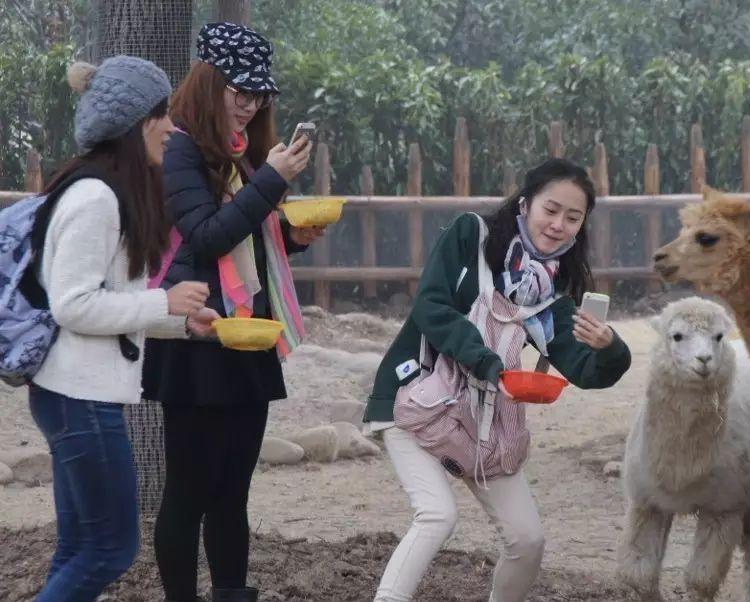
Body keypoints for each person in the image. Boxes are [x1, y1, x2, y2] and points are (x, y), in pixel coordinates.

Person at [365, 158, 632, 602]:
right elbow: (431, 307)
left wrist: (609, 348)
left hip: (480, 419)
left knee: (527, 541)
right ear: (525, 204)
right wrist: (489, 366)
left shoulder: (552, 294)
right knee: (436, 516)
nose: (558, 224)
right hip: (412, 399)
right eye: (551, 209)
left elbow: (583, 370)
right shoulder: (471, 235)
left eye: (573, 217)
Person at [142, 22, 320, 602]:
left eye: (260, 95)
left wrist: (292, 238)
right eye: (239, 92)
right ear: (209, 82)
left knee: (233, 491)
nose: (250, 106)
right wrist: (272, 180)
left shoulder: (240, 153)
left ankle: (231, 592)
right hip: (194, 343)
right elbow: (208, 236)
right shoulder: (180, 149)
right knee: (188, 493)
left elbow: (247, 239)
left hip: (249, 336)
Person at [29, 56, 216, 602]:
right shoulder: (96, 198)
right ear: (136, 122)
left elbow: (112, 305)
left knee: (79, 547)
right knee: (111, 548)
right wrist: (165, 300)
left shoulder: (106, 191)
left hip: (74, 394)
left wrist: (181, 322)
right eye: (163, 114)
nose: (172, 127)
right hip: (79, 399)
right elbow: (75, 305)